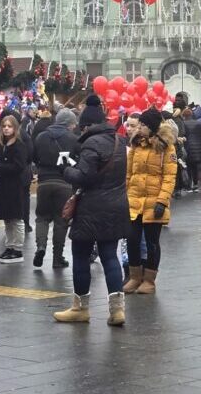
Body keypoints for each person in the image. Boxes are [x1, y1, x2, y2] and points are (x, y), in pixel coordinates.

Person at [54, 96, 131, 325]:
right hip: (117, 205)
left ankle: (80, 308)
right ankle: (117, 310)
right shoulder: (120, 142)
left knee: (80, 254)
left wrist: (66, 170)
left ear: (86, 126)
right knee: (110, 256)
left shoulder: (90, 144)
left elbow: (83, 177)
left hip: (91, 208)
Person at [123, 108, 177, 295]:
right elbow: (129, 173)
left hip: (154, 202)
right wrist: (125, 195)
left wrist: (162, 201)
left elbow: (169, 177)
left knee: (152, 242)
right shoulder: (136, 144)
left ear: (153, 127)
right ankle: (134, 277)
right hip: (134, 200)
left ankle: (149, 280)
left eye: (144, 125)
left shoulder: (166, 147)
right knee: (132, 239)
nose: (140, 128)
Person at [32, 109, 80, 269]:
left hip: (44, 182)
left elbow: (34, 157)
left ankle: (40, 246)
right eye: (73, 124)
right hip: (64, 183)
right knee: (61, 220)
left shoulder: (41, 137)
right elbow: (79, 160)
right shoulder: (73, 139)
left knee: (42, 217)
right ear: (69, 123)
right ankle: (57, 258)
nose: (74, 127)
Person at [0, 114, 30, 262]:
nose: (6, 129)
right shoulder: (1, 144)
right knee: (7, 219)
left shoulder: (19, 145)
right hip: (3, 186)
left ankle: (17, 249)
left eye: (9, 126)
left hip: (14, 186)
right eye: (4, 126)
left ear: (15, 128)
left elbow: (18, 167)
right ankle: (9, 246)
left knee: (16, 218)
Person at [181, 108, 201, 192]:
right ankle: (197, 184)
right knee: (197, 167)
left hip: (188, 146)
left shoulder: (183, 123)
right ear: (191, 114)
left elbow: (183, 135)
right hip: (199, 146)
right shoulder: (198, 123)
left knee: (189, 167)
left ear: (184, 115)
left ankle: (189, 185)